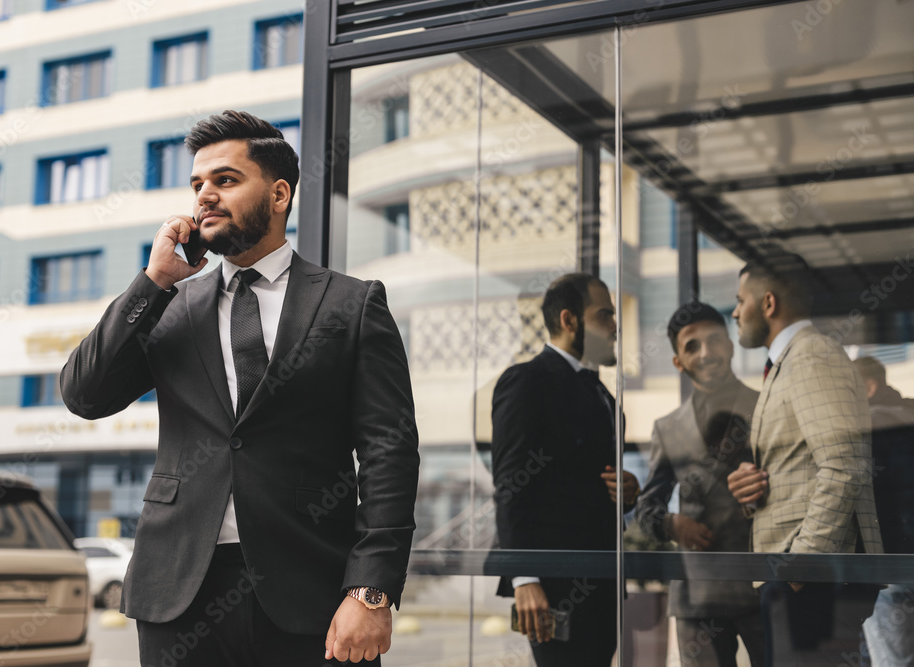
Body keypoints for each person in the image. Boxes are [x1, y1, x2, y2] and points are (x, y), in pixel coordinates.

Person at [60, 110, 420, 667]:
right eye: (197, 184)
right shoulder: (170, 305)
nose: (204, 196)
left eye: (225, 180)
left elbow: (388, 452)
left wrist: (369, 588)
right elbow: (85, 395)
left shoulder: (352, 304)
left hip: (313, 590)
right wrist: (153, 280)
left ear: (279, 194)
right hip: (178, 591)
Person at [726, 255, 882, 666]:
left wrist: (801, 567)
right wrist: (753, 486)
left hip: (812, 577)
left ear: (769, 303)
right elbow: (804, 464)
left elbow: (845, 466)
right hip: (800, 574)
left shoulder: (811, 357)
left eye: (741, 300)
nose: (736, 311)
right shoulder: (790, 362)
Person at [490, 273, 639, 667]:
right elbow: (509, 486)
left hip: (605, 582)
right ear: (569, 320)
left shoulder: (605, 397)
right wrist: (525, 578)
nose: (615, 325)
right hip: (554, 588)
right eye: (604, 315)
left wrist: (628, 490)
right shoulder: (526, 382)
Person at [635, 301, 764, 667]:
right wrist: (672, 524)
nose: (706, 353)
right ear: (678, 362)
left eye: (714, 340)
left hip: (764, 587)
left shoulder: (768, 407)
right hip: (697, 593)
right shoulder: (668, 427)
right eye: (692, 346)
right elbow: (647, 508)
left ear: (730, 344)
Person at [853, 356, 914, 667]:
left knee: (893, 661)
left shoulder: (871, 428)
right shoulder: (909, 413)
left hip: (890, 565)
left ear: (869, 387)